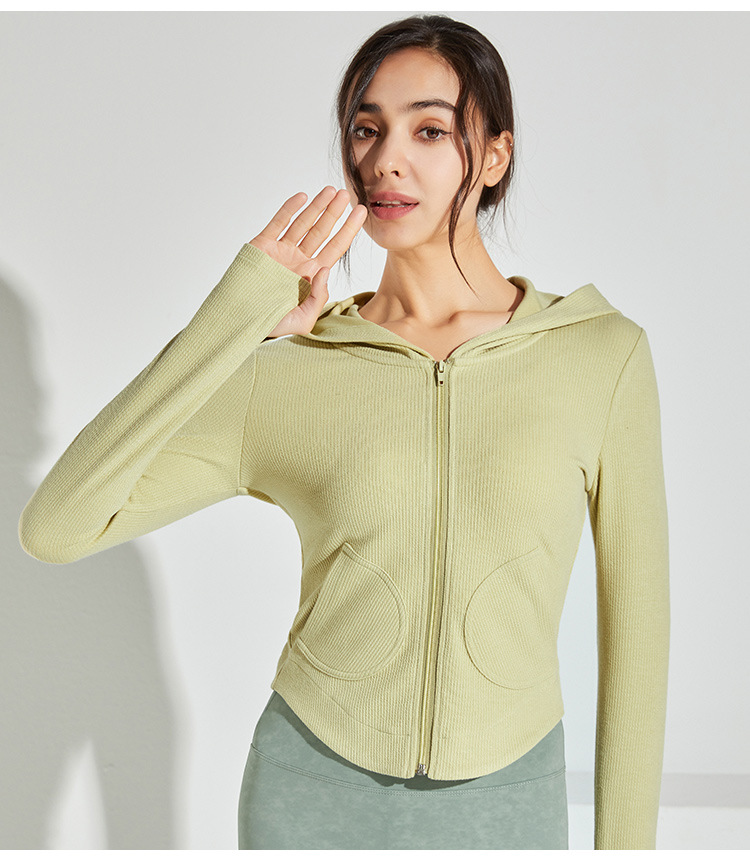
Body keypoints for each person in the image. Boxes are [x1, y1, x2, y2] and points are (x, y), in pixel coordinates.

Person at [18, 13, 670, 851]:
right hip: (310, 788)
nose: (386, 158)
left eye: (429, 130)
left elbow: (638, 644)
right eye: (367, 129)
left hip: (507, 796)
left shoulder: (600, 356)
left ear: (495, 156)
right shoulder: (291, 370)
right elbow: (57, 527)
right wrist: (233, 322)